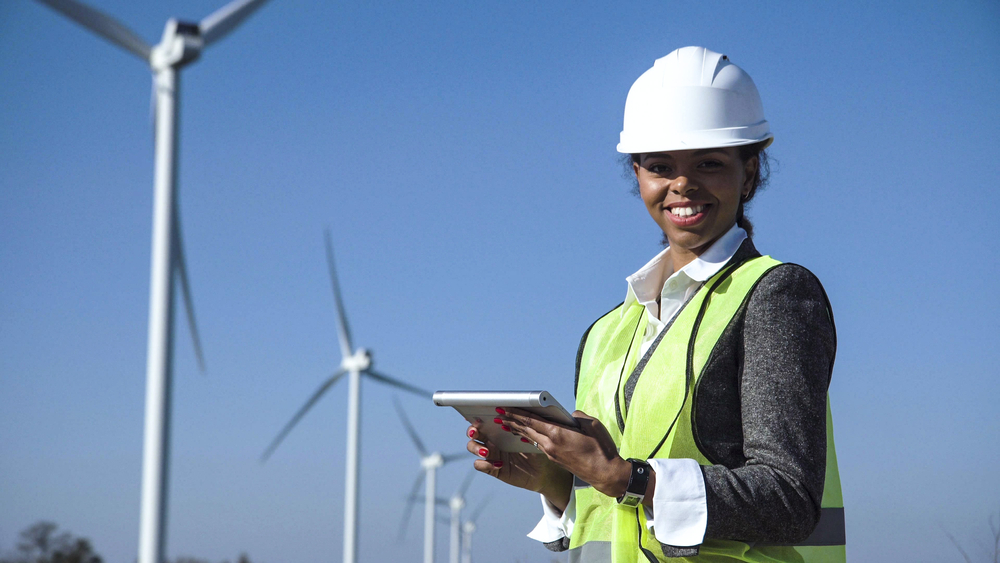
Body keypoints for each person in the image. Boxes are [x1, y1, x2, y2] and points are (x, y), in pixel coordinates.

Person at [464, 47, 845, 562]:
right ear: (638, 175)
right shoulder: (607, 333)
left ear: (749, 172)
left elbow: (790, 500)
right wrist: (556, 481)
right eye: (660, 166)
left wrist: (626, 475)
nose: (682, 184)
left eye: (708, 163)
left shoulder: (775, 295)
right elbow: (628, 510)